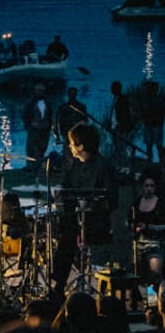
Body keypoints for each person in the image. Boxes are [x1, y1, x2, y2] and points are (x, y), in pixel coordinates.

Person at [52, 122, 119, 300]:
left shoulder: (104, 167)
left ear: (81, 146)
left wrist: (92, 205)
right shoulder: (74, 166)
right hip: (74, 219)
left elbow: (112, 200)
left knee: (67, 238)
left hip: (96, 222)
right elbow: (66, 191)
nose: (69, 146)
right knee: (59, 230)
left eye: (72, 143)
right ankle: (57, 282)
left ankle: (59, 285)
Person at [130, 171, 165, 288]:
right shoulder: (136, 203)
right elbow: (128, 220)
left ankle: (157, 298)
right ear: (142, 187)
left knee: (155, 277)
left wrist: (148, 227)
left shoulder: (161, 204)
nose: (149, 189)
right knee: (139, 277)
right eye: (146, 186)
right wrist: (132, 227)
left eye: (152, 186)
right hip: (138, 245)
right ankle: (144, 298)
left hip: (156, 244)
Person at [22, 83, 53, 173]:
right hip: (33, 129)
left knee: (42, 148)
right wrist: (28, 125)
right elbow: (24, 115)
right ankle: (30, 167)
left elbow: (50, 115)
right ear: (35, 91)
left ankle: (38, 166)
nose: (40, 92)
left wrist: (50, 126)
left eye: (42, 91)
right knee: (31, 149)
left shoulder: (47, 102)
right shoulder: (30, 103)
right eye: (38, 90)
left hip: (45, 129)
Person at [55, 87, 87, 168]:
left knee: (78, 150)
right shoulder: (63, 107)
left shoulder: (81, 107)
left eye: (73, 93)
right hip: (66, 132)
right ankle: (69, 167)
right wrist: (57, 134)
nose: (72, 95)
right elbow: (58, 121)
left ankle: (77, 166)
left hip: (78, 133)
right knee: (68, 151)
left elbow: (85, 121)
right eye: (71, 93)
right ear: (68, 94)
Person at [107, 80, 132, 169]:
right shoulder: (116, 98)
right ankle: (120, 165)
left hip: (120, 128)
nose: (111, 90)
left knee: (121, 147)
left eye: (113, 88)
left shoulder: (122, 99)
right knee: (118, 147)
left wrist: (119, 126)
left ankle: (124, 166)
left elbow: (124, 115)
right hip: (116, 127)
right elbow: (114, 113)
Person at [140, 79, 165, 163]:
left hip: (154, 125)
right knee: (153, 145)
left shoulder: (156, 100)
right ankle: (158, 161)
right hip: (153, 125)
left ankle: (155, 161)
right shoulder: (157, 99)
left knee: (154, 145)